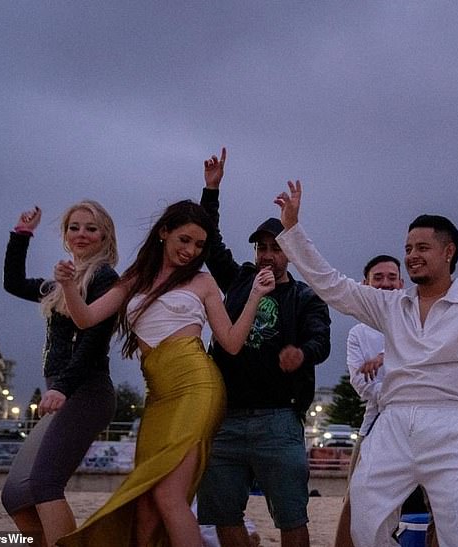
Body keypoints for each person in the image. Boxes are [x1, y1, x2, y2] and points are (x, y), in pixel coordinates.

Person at [274, 180, 458, 546]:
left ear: (449, 251)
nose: (412, 255)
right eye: (407, 248)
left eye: (422, 247)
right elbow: (333, 286)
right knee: (366, 523)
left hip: (453, 423)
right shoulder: (390, 306)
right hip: (393, 422)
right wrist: (293, 231)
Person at [55, 200, 275, 547]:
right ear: (164, 232)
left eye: (199, 245)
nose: (191, 251)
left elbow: (231, 343)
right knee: (145, 502)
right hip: (157, 396)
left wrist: (255, 295)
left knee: (170, 496)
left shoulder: (202, 282)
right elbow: (85, 318)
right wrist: (68, 286)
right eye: (184, 240)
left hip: (197, 388)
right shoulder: (134, 278)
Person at [196, 149, 331, 547]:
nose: (267, 255)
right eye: (261, 248)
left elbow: (320, 339)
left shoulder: (306, 297)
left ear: (289, 250)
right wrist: (211, 190)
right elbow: (209, 244)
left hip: (279, 420)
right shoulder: (238, 280)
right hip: (225, 418)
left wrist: (301, 354)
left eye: (275, 247)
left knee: (291, 517)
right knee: (223, 514)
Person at [2, 201, 120, 547]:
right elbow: (13, 282)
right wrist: (22, 234)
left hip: (86, 391)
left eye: (91, 228)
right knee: (15, 495)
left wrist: (64, 388)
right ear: (66, 236)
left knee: (44, 485)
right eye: (74, 227)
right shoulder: (62, 281)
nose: (81, 234)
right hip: (61, 391)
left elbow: (93, 344)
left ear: (104, 236)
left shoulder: (104, 279)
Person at [334, 255, 435, 547]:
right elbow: (360, 382)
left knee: (438, 501)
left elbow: (426, 366)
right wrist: (395, 387)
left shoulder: (420, 320)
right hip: (375, 420)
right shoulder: (358, 333)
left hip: (425, 419)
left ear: (402, 282)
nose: (386, 283)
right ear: (366, 284)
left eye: (392, 277)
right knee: (355, 498)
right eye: (378, 278)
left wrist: (384, 362)